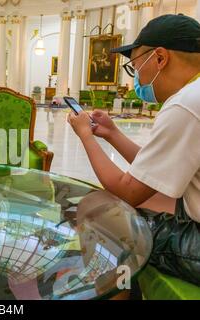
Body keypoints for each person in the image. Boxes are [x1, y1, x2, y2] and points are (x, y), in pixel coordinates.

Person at [67, 14, 200, 286]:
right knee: (138, 201)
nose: (137, 77)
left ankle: (113, 291)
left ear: (160, 59)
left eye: (136, 67)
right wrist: (113, 134)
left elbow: (126, 189)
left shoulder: (185, 104)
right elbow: (152, 175)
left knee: (98, 210)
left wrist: (85, 136)